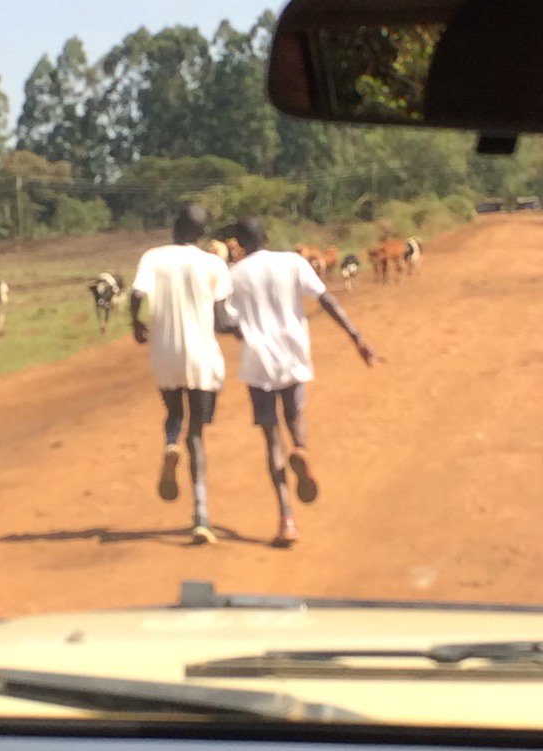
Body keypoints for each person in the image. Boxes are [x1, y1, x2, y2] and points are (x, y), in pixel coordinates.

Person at [228, 218, 379, 547]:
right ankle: (302, 450)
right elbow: (327, 300)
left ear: (238, 244)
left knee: (271, 440)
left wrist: (244, 331)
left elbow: (226, 320)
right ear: (266, 236)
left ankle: (286, 519)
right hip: (293, 358)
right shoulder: (292, 262)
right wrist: (357, 338)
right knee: (296, 418)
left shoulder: (234, 275)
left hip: (258, 365)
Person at [130, 203, 233, 545]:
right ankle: (201, 515)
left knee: (174, 413)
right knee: (199, 434)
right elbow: (221, 320)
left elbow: (135, 294)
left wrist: (136, 323)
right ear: (203, 234)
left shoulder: (154, 257)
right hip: (202, 357)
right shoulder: (213, 264)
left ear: (175, 227)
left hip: (165, 353)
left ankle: (170, 442)